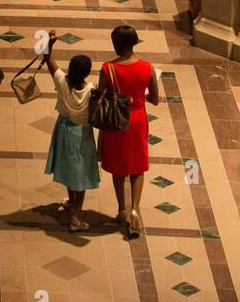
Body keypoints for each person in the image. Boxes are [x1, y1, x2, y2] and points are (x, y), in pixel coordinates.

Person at [98, 24, 160, 239]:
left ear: (116, 44)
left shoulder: (108, 68)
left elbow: (102, 96)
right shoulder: (148, 67)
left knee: (118, 168)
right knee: (137, 167)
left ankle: (122, 209)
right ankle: (136, 208)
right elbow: (155, 99)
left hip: (118, 121)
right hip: (138, 120)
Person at [41, 30, 100, 232]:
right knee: (80, 175)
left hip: (63, 129)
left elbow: (47, 58)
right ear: (86, 73)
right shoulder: (91, 90)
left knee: (68, 169)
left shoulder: (61, 81)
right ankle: (76, 216)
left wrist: (51, 42)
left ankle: (73, 204)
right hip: (81, 134)